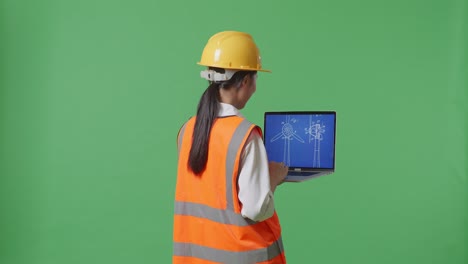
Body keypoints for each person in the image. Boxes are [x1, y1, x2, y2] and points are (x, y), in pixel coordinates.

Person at [173, 31, 288, 264]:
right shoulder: (246, 136)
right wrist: (273, 178)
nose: (255, 88)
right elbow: (256, 209)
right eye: (255, 79)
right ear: (245, 81)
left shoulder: (188, 130)